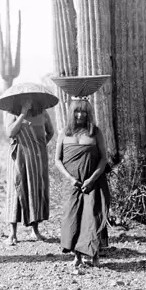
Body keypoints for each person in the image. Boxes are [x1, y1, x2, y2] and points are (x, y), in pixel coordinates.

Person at [55, 98, 110, 274]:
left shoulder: (95, 132)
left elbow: (103, 159)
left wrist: (92, 179)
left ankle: (94, 256)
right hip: (72, 183)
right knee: (73, 218)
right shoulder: (65, 133)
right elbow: (57, 160)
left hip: (93, 182)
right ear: (71, 113)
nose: (80, 114)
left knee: (91, 217)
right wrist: (71, 179)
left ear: (88, 113)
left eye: (84, 111)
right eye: (77, 111)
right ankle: (77, 256)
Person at [4, 98, 55, 245]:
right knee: (16, 191)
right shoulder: (12, 112)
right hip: (17, 157)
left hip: (36, 158)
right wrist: (22, 114)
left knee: (35, 190)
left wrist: (39, 146)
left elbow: (50, 132)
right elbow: (10, 133)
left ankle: (35, 230)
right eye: (24, 99)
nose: (28, 101)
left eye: (31, 99)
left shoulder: (42, 113)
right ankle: (12, 234)